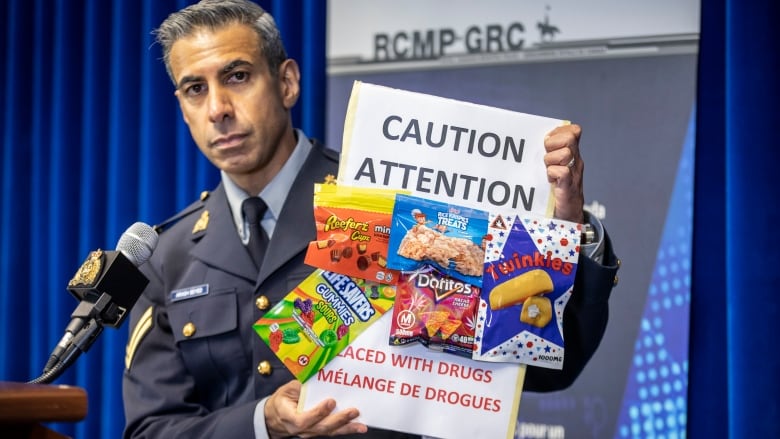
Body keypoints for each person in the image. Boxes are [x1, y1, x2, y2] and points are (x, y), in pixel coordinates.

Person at [121, 1, 620, 438]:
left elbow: (544, 367)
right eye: (194, 89)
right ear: (182, 107)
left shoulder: (393, 204)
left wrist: (564, 228)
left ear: (287, 82)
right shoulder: (170, 253)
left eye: (237, 76)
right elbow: (154, 428)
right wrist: (261, 423)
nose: (218, 109)